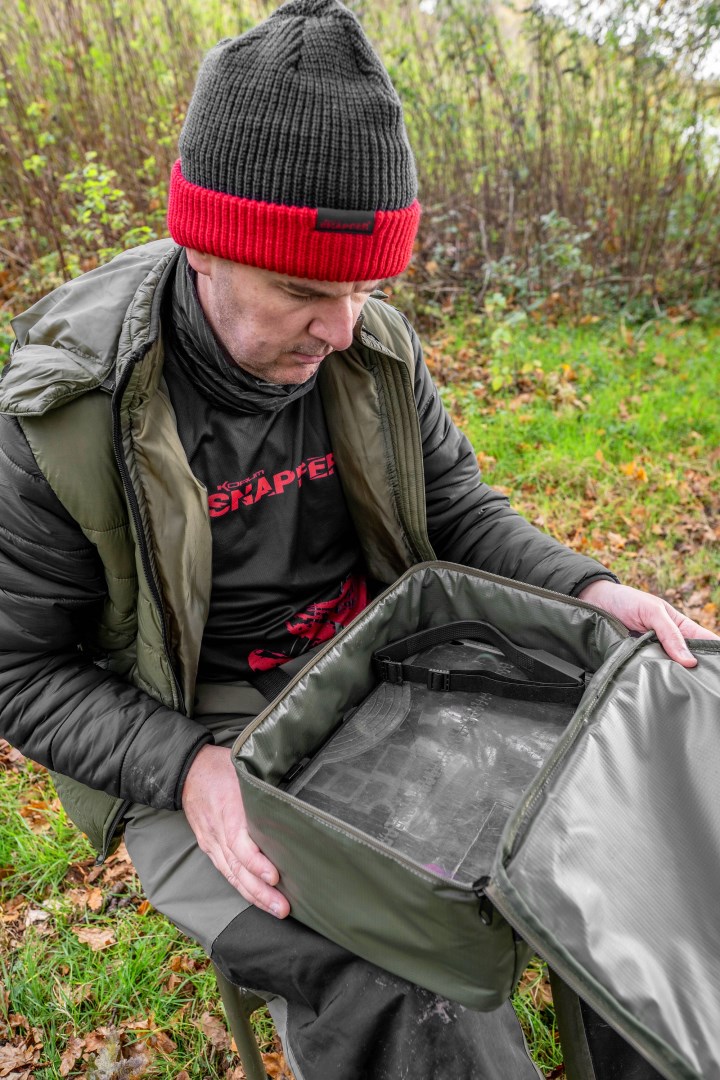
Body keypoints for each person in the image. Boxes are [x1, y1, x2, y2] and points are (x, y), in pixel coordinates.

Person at [0, 1, 715, 1077]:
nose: (341, 329)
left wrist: (590, 588)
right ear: (204, 248)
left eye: (366, 289)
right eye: (303, 291)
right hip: (191, 730)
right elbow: (18, 667)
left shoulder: (370, 345)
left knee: (629, 824)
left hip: (387, 676)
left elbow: (458, 512)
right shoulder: (66, 414)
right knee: (397, 981)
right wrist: (185, 767)